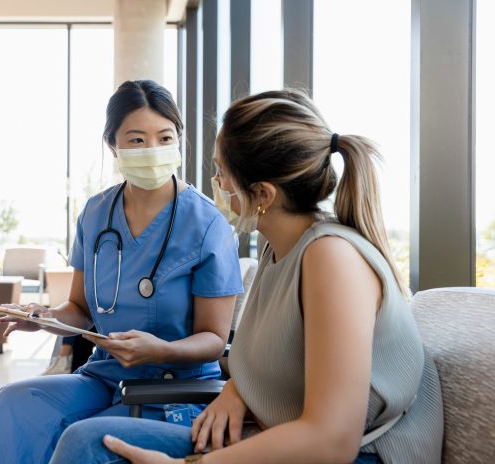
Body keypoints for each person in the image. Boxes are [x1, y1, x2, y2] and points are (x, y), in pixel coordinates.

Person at [49, 89, 444, 464]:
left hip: (362, 455)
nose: (216, 185)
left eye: (221, 173)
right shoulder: (283, 251)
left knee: (91, 447)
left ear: (264, 195)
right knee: (86, 441)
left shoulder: (332, 259)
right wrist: (239, 392)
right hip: (291, 439)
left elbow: (333, 440)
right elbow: (276, 355)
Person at [0, 80, 243, 463]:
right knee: (14, 404)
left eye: (165, 137)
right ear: (112, 145)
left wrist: (160, 351)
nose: (152, 149)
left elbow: (215, 339)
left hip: (175, 386)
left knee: (85, 441)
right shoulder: (96, 214)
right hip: (104, 375)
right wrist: (44, 318)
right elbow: (80, 309)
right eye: (136, 140)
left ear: (178, 140)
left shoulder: (207, 224)